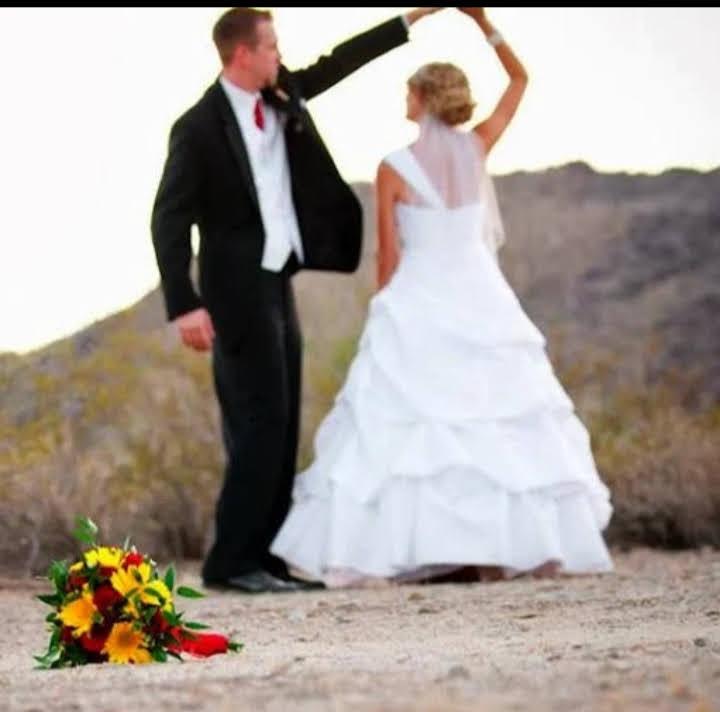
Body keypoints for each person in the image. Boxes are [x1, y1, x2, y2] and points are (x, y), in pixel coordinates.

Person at [270, 7, 614, 587]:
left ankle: (420, 549)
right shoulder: (478, 147)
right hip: (481, 295)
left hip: (420, 297)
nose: (403, 102)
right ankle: (497, 549)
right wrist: (485, 24)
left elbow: (389, 256)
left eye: (408, 92)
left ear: (424, 98)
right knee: (489, 417)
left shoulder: (394, 166)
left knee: (416, 426)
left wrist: (383, 310)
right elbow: (520, 81)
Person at [151, 7, 444, 594]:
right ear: (242, 54)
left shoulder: (282, 97)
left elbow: (341, 61)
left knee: (282, 422)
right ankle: (232, 562)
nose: (279, 57)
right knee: (256, 420)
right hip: (233, 290)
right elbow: (169, 217)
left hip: (276, 280)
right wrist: (185, 302)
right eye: (272, 47)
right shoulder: (198, 126)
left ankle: (268, 556)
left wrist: (414, 16)